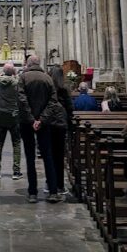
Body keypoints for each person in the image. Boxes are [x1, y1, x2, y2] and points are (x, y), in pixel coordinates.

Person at [17, 54, 61, 203]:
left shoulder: (23, 78)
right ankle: (53, 191)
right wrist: (41, 119)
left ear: (28, 64)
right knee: (47, 156)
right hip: (44, 123)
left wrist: (31, 119)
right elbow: (53, 101)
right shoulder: (48, 78)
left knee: (30, 158)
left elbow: (21, 100)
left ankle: (33, 192)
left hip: (26, 123)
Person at [0, 62, 22, 180]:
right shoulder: (16, 83)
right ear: (13, 72)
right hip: (13, 114)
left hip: (0, 114)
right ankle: (16, 171)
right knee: (16, 143)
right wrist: (15, 74)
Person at [48, 65, 74, 196]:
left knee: (50, 156)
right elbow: (70, 108)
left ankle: (50, 184)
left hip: (49, 124)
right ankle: (60, 185)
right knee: (59, 156)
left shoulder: (47, 87)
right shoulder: (65, 89)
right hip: (61, 125)